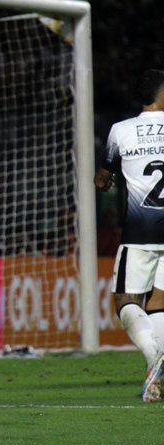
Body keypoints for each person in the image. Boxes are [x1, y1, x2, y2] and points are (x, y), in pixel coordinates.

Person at [94, 69, 164, 403]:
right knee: (160, 302)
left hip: (139, 232)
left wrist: (103, 181)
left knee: (125, 302)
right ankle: (157, 371)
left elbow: (102, 177)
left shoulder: (120, 131)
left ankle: (154, 357)